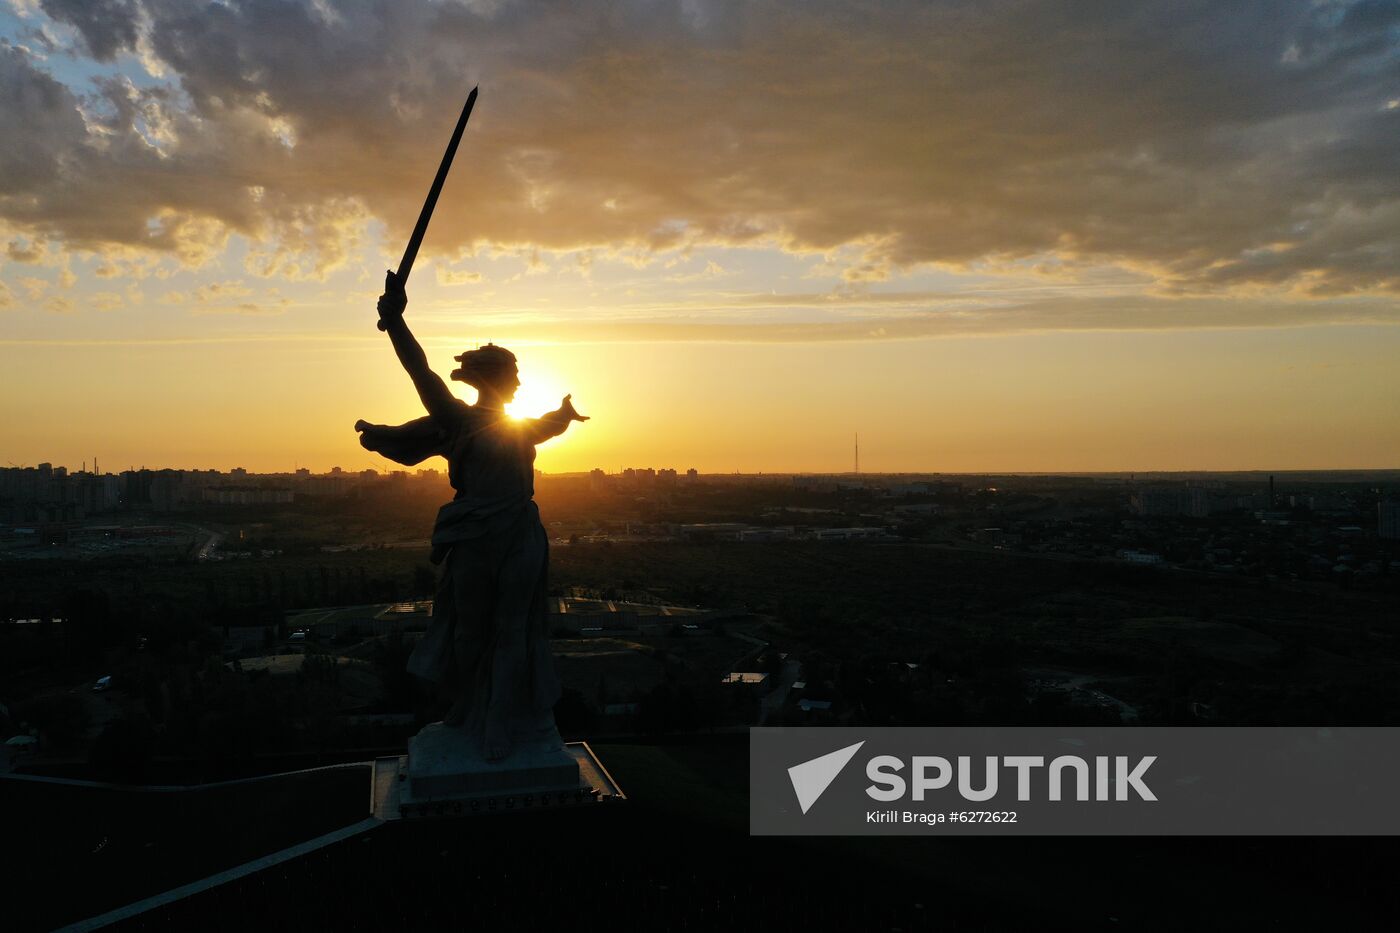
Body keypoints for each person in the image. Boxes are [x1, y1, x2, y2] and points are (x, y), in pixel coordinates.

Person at [354, 271, 588, 761]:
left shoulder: (517, 427)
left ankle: (500, 719)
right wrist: (396, 320)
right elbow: (420, 371)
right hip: (476, 535)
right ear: (492, 378)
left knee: (513, 626)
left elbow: (546, 426)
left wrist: (563, 415)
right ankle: (468, 712)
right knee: (471, 629)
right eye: (515, 374)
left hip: (520, 532)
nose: (522, 381)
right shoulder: (457, 418)